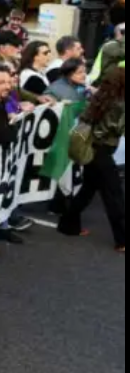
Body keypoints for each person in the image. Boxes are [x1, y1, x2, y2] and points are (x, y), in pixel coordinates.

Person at [58, 67, 125, 252]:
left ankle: (68, 224)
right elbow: (117, 129)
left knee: (88, 190)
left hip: (91, 148)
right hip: (102, 151)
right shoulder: (119, 103)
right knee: (114, 196)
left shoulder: (99, 98)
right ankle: (122, 240)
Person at [18, 40, 53, 104]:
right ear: (34, 56)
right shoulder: (31, 76)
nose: (49, 56)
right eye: (45, 53)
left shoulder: (39, 73)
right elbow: (49, 97)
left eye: (49, 52)